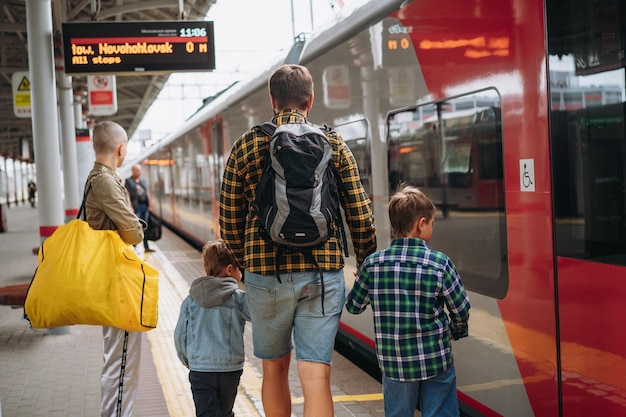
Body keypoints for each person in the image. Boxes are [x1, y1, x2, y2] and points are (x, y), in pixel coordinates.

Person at [219, 64, 377, 417]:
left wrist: (248, 266)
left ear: (272, 100)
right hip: (323, 276)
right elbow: (360, 214)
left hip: (265, 276)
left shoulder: (246, 145)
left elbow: (229, 222)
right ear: (311, 99)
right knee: (316, 373)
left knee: (274, 369)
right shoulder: (334, 142)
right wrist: (366, 263)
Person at [345, 185, 471, 417]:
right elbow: (461, 308)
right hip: (435, 360)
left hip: (394, 364)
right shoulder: (440, 263)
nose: (431, 227)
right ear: (421, 223)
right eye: (432, 223)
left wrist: (366, 281)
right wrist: (457, 330)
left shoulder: (373, 265)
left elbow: (353, 306)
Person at [83, 121, 144, 417]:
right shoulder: (105, 181)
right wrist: (135, 226)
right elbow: (133, 233)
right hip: (117, 280)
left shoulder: (104, 178)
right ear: (121, 148)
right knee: (121, 362)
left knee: (119, 359)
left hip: (115, 277)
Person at [174, 240, 251, 417]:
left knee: (205, 413)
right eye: (240, 268)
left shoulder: (191, 300)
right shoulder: (238, 298)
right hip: (230, 369)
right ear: (230, 270)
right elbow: (258, 315)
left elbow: (180, 335)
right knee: (224, 412)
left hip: (200, 369)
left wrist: (187, 359)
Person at [125, 164, 153, 252]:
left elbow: (147, 192)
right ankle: (134, 247)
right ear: (133, 171)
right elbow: (127, 194)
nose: (139, 172)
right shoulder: (128, 181)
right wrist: (130, 206)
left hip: (144, 205)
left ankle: (146, 246)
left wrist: (150, 204)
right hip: (136, 207)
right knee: (137, 227)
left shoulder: (143, 180)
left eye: (140, 170)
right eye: (137, 170)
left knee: (146, 226)